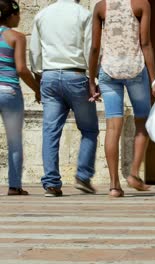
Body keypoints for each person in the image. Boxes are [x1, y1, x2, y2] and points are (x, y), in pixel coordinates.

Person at [88, 0, 155, 197]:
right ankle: (133, 175)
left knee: (113, 126)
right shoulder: (141, 4)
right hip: (135, 69)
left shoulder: (101, 7)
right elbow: (145, 43)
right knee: (142, 119)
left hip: (108, 71)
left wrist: (91, 79)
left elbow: (95, 47)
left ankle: (114, 185)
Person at [30, 0, 99, 197]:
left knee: (50, 131)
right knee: (89, 129)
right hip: (76, 75)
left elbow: (35, 52)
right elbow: (90, 49)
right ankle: (83, 176)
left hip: (50, 77)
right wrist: (93, 79)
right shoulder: (83, 14)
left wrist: (39, 77)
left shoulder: (42, 15)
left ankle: (51, 183)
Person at [0, 0, 40, 195]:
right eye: (18, 15)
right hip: (9, 91)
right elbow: (22, 69)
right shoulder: (17, 37)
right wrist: (36, 88)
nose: (20, 18)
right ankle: (14, 186)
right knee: (14, 140)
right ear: (11, 16)